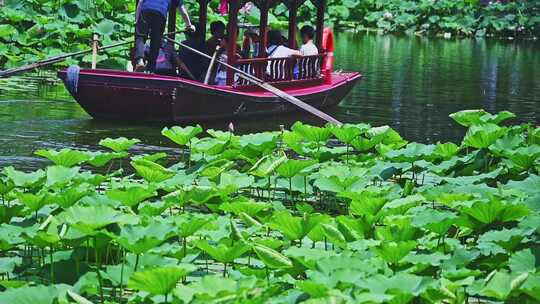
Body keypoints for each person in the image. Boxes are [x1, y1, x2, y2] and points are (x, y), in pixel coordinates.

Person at [134, 0, 195, 73]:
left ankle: (140, 61)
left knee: (140, 37)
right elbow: (183, 11)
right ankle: (150, 69)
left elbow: (140, 2)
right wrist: (189, 25)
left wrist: (137, 20)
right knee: (156, 41)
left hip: (145, 10)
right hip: (160, 14)